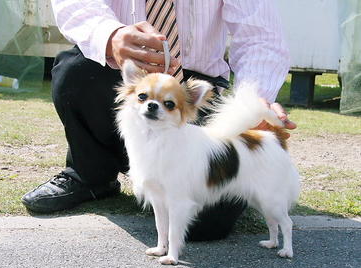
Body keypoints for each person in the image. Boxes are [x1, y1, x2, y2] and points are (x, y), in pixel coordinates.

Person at [22, 0, 297, 241]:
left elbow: (260, 37)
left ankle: (236, 185)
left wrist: (253, 104)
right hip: (121, 66)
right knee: (76, 73)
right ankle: (91, 174)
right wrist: (110, 34)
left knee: (205, 221)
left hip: (195, 87)